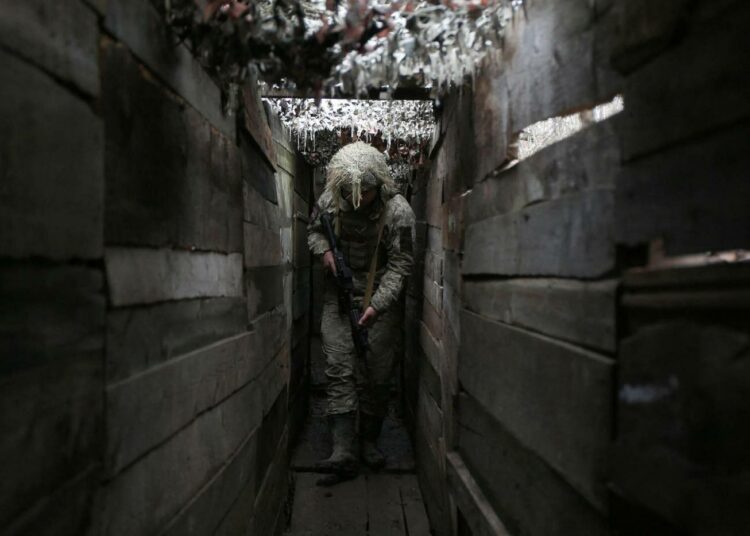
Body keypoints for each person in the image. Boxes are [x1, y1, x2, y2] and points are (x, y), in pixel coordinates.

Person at [307, 141, 415, 485]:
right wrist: (324, 252)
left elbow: (401, 264)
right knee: (338, 368)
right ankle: (343, 449)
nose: (356, 199)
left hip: (379, 301)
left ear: (379, 186)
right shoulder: (329, 202)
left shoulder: (398, 212)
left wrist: (376, 306)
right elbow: (314, 233)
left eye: (364, 192)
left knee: (377, 374)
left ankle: (369, 441)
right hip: (338, 298)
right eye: (348, 192)